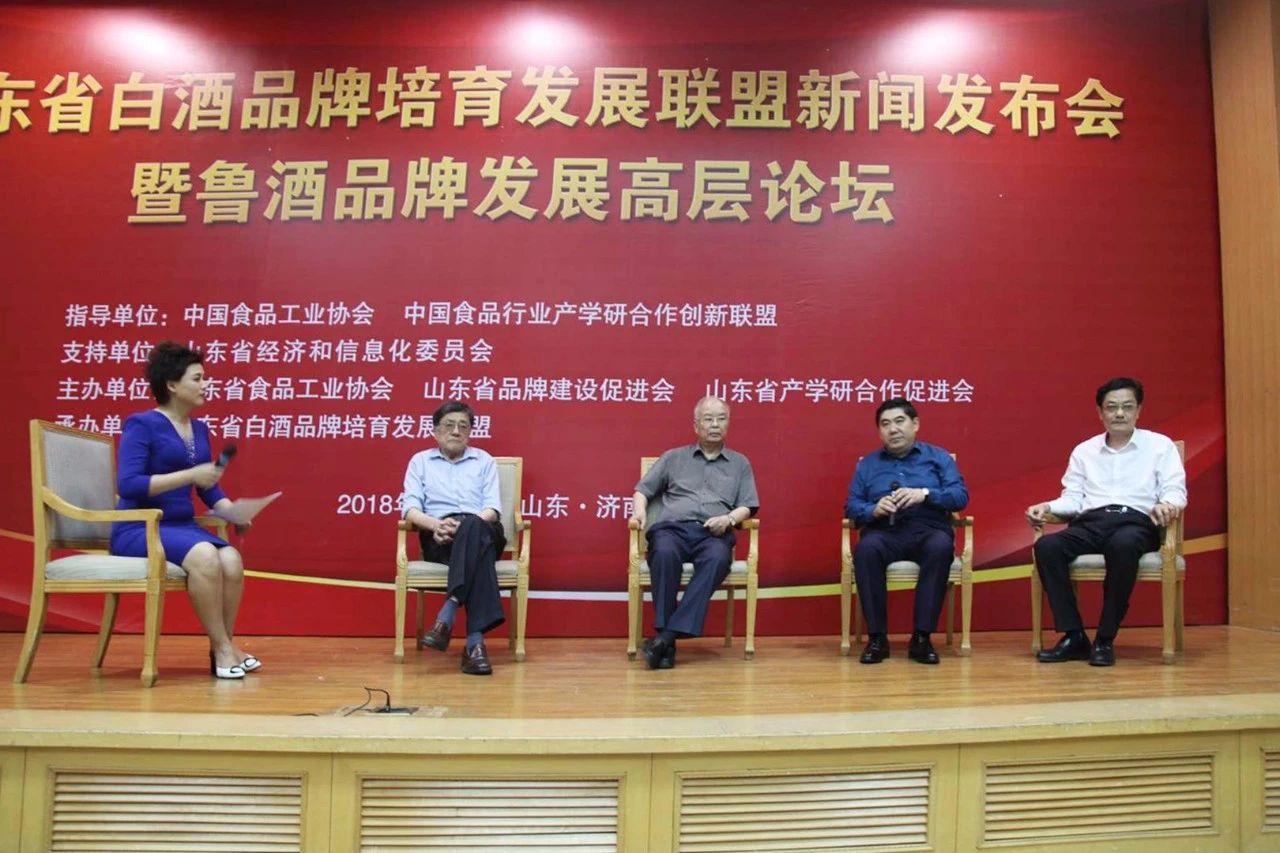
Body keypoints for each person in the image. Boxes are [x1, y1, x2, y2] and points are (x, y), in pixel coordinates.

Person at [111, 341, 257, 680]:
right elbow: (129, 484)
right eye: (198, 378)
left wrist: (231, 511)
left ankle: (224, 646)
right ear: (172, 385)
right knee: (206, 555)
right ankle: (222, 648)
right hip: (140, 526)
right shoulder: (141, 424)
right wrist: (190, 475)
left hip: (181, 528)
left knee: (231, 559)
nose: (206, 384)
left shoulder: (200, 429)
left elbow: (208, 486)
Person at [1027, 377, 1186, 666]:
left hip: (1136, 523)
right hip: (1091, 523)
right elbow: (1073, 498)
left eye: (1127, 406)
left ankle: (1104, 638)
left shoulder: (1160, 446)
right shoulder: (1084, 450)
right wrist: (1047, 507)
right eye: (1111, 407)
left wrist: (1167, 504)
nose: (1119, 413)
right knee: (1047, 547)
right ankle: (1074, 636)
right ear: (1100, 413)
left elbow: (1175, 489)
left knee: (1122, 545)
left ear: (1138, 410)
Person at [628, 396, 759, 670]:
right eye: (708, 419)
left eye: (721, 418)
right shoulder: (673, 458)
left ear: (728, 423)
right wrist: (639, 512)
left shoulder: (740, 463)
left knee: (718, 559)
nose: (715, 424)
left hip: (713, 532)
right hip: (672, 530)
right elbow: (642, 490)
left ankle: (664, 640)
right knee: (664, 553)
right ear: (696, 426)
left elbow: (747, 505)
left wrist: (729, 519)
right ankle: (668, 640)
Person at [844, 398, 969, 665]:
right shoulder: (867, 465)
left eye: (899, 421)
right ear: (879, 431)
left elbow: (960, 497)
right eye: (885, 424)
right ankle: (877, 639)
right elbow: (851, 506)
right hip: (884, 532)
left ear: (915, 424)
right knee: (866, 550)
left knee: (940, 547)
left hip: (929, 529)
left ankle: (921, 638)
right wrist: (873, 509)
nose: (893, 429)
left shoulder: (939, 458)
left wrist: (925, 494)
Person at [403, 401, 506, 676]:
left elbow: (492, 509)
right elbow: (410, 509)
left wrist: (464, 528)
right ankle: (474, 645)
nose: (456, 431)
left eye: (463, 426)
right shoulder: (420, 461)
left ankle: (448, 611)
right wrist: (435, 524)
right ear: (435, 431)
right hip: (440, 534)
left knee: (474, 527)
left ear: (470, 432)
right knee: (478, 555)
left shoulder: (484, 460)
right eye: (449, 425)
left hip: (483, 528)